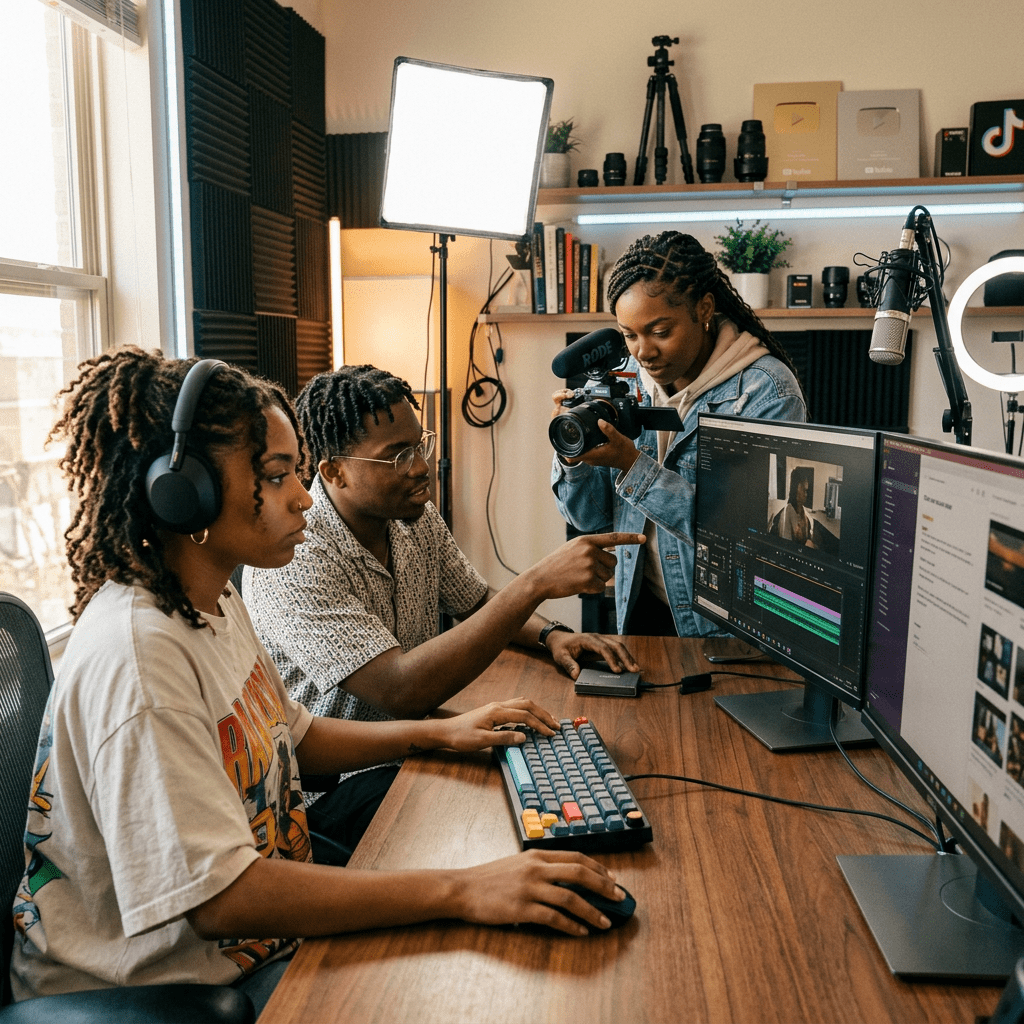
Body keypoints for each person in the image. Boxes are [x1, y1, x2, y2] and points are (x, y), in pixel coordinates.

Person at [10, 348, 628, 1014]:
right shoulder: (140, 661)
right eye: (277, 476)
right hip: (165, 990)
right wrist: (464, 889)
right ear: (183, 491)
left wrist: (442, 735)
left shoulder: (211, 600)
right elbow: (222, 899)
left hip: (255, 932)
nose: (305, 497)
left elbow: (293, 735)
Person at [244, 364, 643, 854]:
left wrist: (550, 635)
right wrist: (537, 582)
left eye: (420, 445)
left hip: (416, 743)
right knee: (505, 820)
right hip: (333, 793)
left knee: (547, 776)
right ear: (334, 471)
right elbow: (401, 690)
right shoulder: (298, 557)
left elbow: (473, 599)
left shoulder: (411, 515)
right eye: (398, 457)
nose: (420, 467)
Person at [551, 230, 807, 637]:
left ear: (703, 308)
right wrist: (574, 455)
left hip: (725, 631)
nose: (643, 353)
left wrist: (632, 466)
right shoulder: (629, 379)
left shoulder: (765, 394)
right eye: (629, 335)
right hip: (640, 608)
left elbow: (751, 545)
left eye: (660, 331)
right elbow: (588, 518)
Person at [776, 466, 813, 544]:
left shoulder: (806, 516)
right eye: (804, 490)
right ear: (795, 488)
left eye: (806, 491)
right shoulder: (786, 515)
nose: (806, 495)